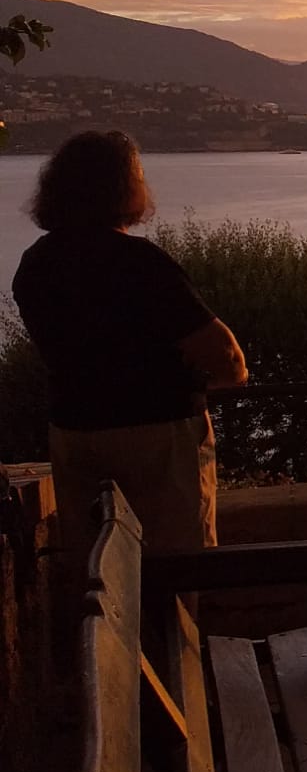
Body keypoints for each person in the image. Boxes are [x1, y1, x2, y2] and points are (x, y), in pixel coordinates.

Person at [12, 130, 247, 554]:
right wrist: (223, 380)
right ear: (125, 188)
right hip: (158, 433)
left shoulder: (35, 265)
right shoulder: (141, 262)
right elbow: (226, 355)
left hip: (74, 432)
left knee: (96, 564)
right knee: (179, 560)